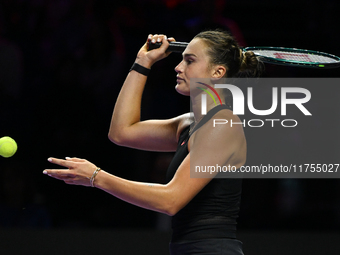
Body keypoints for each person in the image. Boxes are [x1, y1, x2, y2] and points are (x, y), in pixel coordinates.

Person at [43, 29, 261, 254]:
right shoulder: (188, 124)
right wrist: (142, 61)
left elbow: (171, 200)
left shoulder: (222, 124)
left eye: (190, 61)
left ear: (217, 72)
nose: (178, 67)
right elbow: (121, 132)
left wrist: (96, 177)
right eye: (181, 60)